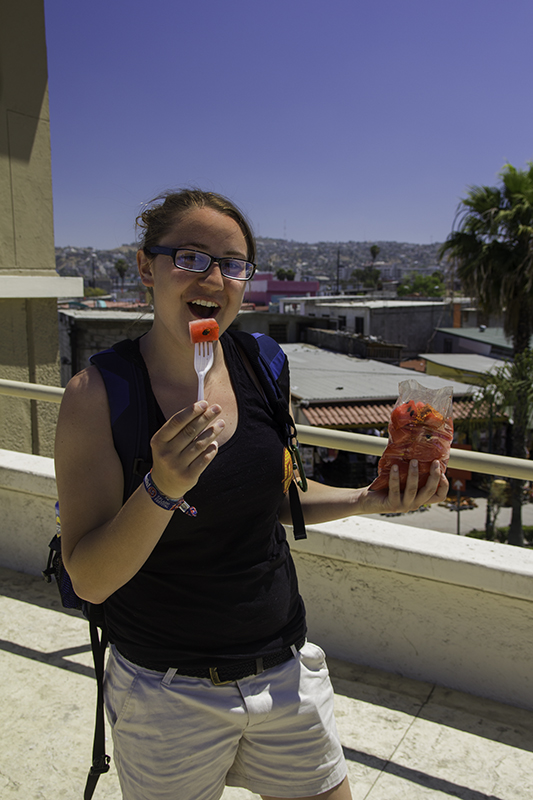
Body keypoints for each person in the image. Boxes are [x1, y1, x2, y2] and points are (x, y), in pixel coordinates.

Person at [55, 189, 449, 800]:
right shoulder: (97, 395)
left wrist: (369, 499)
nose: (214, 277)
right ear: (145, 267)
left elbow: (281, 498)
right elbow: (90, 579)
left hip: (284, 669)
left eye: (233, 264)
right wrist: (161, 487)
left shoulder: (264, 362)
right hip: (166, 692)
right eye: (190, 256)